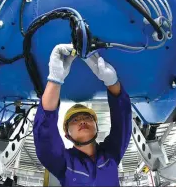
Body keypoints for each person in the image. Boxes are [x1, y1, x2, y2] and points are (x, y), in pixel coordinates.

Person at [34, 44, 132, 186]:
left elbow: (122, 122)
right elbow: (45, 132)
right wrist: (54, 78)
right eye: (74, 120)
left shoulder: (111, 155)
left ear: (97, 128)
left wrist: (112, 81)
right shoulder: (62, 163)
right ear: (67, 135)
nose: (82, 121)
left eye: (87, 117)